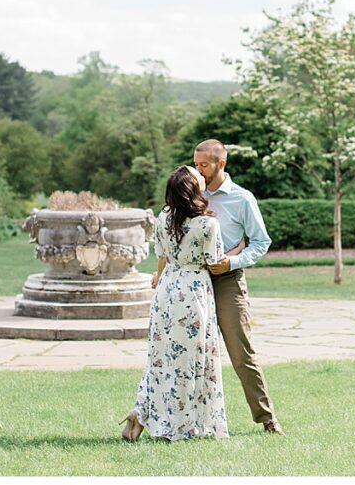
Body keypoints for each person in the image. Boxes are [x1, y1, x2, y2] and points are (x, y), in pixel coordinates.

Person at [120, 165, 229, 442]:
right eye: (199, 177)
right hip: (193, 292)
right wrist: (237, 250)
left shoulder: (164, 217)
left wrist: (160, 275)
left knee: (161, 358)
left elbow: (162, 256)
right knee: (191, 359)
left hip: (167, 290)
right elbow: (214, 262)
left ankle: (141, 411)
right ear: (194, 189)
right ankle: (182, 425)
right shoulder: (208, 224)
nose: (203, 178)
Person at [193, 139, 284, 436]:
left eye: (203, 165)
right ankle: (190, 421)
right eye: (195, 164)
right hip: (193, 283)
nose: (198, 170)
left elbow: (261, 242)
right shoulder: (190, 194)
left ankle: (267, 418)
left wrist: (231, 263)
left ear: (221, 163)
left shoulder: (242, 199)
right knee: (191, 354)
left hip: (228, 282)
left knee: (241, 354)